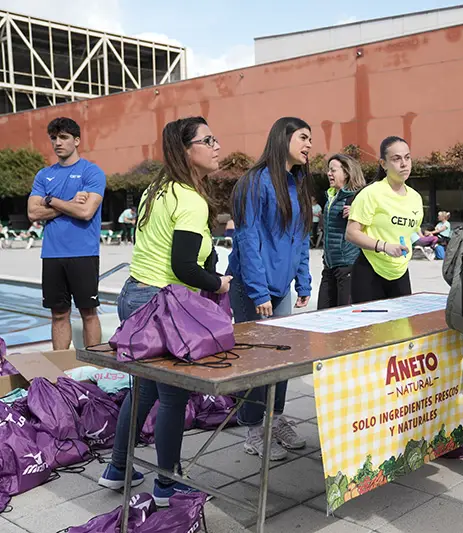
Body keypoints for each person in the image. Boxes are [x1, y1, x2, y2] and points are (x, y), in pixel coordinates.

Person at [98, 116, 231, 507]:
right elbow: (184, 267)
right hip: (162, 305)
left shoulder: (157, 189)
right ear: (186, 151)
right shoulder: (188, 199)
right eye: (208, 140)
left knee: (143, 389)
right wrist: (219, 284)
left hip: (135, 295)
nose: (217, 146)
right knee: (172, 397)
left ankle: (118, 468)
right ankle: (168, 485)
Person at [227, 117, 312, 461]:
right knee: (255, 361)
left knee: (281, 358)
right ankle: (253, 430)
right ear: (282, 138)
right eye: (303, 137)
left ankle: (275, 420)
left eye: (310, 139)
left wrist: (303, 280)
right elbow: (247, 238)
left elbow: (301, 237)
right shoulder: (254, 182)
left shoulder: (297, 183)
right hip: (253, 287)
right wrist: (259, 291)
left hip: (281, 287)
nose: (309, 145)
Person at [27, 117, 106, 351]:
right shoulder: (44, 175)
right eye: (54, 138)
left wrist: (50, 201)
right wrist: (69, 203)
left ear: (77, 140)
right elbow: (32, 213)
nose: (57, 143)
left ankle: (95, 367)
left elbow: (85, 212)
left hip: (83, 253)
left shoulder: (91, 172)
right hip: (52, 254)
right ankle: (61, 367)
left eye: (63, 137)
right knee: (58, 314)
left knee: (88, 312)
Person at [345, 136, 423, 303]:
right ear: (383, 164)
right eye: (396, 159)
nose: (404, 164)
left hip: (400, 272)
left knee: (403, 320)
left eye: (407, 157)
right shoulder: (371, 193)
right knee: (370, 321)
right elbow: (351, 233)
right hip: (370, 272)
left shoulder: (416, 198)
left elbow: (412, 232)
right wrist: (384, 246)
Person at [318, 153, 366, 309]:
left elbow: (378, 220)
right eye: (328, 170)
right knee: (322, 314)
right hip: (329, 266)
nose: (328, 174)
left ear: (346, 173)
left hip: (348, 266)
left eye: (333, 170)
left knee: (345, 316)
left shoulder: (359, 197)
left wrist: (358, 213)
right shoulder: (331, 196)